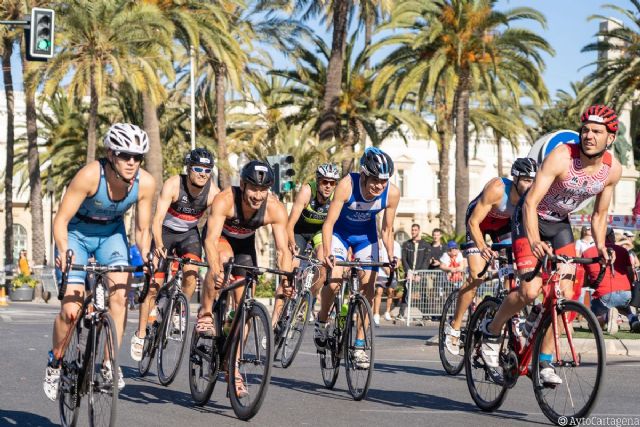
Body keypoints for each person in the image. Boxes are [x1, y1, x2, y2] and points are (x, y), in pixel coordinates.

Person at [480, 105, 622, 385]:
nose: (588, 136)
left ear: (611, 138)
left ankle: (543, 363)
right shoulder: (562, 157)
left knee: (566, 295)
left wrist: (602, 246)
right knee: (529, 290)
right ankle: (491, 332)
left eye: (596, 131)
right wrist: (533, 240)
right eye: (585, 130)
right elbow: (530, 202)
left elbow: (599, 215)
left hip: (559, 225)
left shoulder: (612, 170)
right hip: (530, 217)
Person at [44, 123, 155, 400]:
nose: (132, 162)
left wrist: (149, 254)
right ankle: (56, 361)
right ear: (110, 153)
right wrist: (62, 250)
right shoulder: (91, 176)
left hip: (111, 236)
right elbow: (61, 220)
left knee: (119, 297)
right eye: (125, 155)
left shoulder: (146, 183)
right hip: (77, 236)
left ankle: (108, 364)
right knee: (71, 310)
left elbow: (141, 230)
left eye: (137, 157)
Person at [200, 160, 292, 395]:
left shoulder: (275, 208)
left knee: (245, 309)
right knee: (223, 260)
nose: (258, 195)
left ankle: (234, 366)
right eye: (253, 188)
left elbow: (283, 251)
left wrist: (286, 279)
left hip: (245, 245)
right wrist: (215, 269)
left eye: (263, 190)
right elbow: (210, 240)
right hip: (219, 239)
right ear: (242, 184)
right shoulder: (225, 199)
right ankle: (206, 313)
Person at [130, 148, 219, 362]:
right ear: (189, 168)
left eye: (207, 169)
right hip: (166, 233)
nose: (202, 173)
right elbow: (157, 220)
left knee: (192, 273)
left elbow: (218, 221)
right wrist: (159, 244)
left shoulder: (212, 192)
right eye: (198, 168)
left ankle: (179, 311)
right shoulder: (173, 184)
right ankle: (141, 334)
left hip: (189, 234)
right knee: (153, 285)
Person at [315, 147, 400, 369]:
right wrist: (327, 252)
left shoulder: (392, 193)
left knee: (368, 290)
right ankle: (322, 320)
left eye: (383, 181)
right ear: (363, 174)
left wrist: (391, 256)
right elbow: (328, 223)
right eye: (374, 180)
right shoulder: (347, 184)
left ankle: (360, 344)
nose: (379, 186)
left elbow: (387, 230)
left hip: (366, 238)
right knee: (333, 281)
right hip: (340, 235)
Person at [444, 159, 537, 355]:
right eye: (527, 180)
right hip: (479, 222)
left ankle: (499, 314)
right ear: (516, 178)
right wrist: (481, 246)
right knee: (476, 276)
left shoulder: (532, 197)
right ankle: (455, 325)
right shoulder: (497, 188)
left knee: (515, 275)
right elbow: (473, 222)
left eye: (534, 181)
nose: (530, 186)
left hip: (503, 226)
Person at [287, 163, 341, 321]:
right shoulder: (306, 191)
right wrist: (292, 244)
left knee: (324, 265)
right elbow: (290, 223)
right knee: (293, 264)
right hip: (299, 231)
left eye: (332, 183)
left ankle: (307, 301)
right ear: (318, 181)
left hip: (318, 232)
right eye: (325, 182)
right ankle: (288, 296)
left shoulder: (335, 197)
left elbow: (333, 225)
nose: (328, 186)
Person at [584, 228, 640, 332]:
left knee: (593, 324)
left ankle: (606, 317)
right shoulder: (623, 250)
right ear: (610, 237)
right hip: (626, 293)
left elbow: (585, 278)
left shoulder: (587, 252)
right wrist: (631, 286)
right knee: (623, 306)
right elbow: (630, 272)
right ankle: (633, 319)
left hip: (604, 294)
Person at [399, 224, 430, 320]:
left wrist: (420, 273)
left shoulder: (425, 245)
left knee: (423, 293)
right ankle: (401, 314)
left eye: (415, 230)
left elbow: (426, 260)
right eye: (412, 230)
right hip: (409, 273)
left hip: (420, 274)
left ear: (419, 230)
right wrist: (408, 271)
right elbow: (403, 259)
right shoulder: (406, 244)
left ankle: (426, 315)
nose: (413, 232)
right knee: (406, 293)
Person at [373, 236, 402, 325]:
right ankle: (376, 314)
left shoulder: (396, 244)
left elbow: (398, 259)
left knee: (391, 292)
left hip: (391, 272)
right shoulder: (380, 243)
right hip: (381, 272)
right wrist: (385, 268)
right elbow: (379, 257)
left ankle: (387, 312)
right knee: (379, 291)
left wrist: (394, 267)